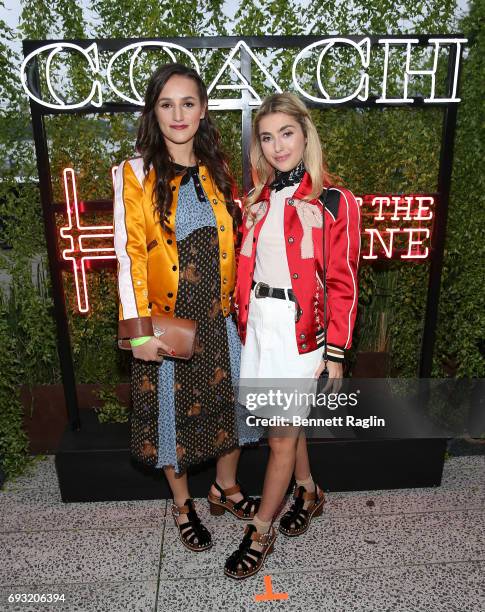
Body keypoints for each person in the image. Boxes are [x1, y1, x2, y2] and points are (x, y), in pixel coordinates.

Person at [113, 63, 259, 553]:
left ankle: (226, 486)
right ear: (154, 112)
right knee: (172, 417)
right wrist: (137, 334)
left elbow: (234, 242)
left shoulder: (218, 168)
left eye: (188, 103)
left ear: (202, 111)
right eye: (166, 104)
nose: (178, 114)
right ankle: (182, 505)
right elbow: (129, 254)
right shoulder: (135, 173)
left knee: (233, 409)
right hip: (167, 322)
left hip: (219, 316)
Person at [225, 93, 360, 579]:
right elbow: (246, 268)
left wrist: (337, 351)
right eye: (267, 136)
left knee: (280, 435)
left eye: (286, 133)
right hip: (258, 325)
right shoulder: (255, 200)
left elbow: (343, 281)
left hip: (302, 332)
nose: (278, 145)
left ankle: (262, 530)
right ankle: (309, 489)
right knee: (282, 418)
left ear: (305, 135)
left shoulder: (334, 201)